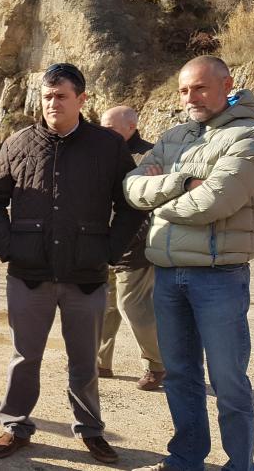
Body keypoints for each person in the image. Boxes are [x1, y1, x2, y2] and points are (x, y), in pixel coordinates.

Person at [0, 63, 144, 464]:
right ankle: (15, 425)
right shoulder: (18, 143)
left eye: (61, 96)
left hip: (85, 275)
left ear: (81, 99)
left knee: (84, 360)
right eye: (47, 96)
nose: (52, 103)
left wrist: (108, 250)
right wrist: (9, 248)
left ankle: (90, 430)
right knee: (24, 356)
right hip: (28, 274)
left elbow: (130, 205)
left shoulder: (107, 146)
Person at [125, 56, 254, 471]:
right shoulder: (173, 136)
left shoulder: (250, 136)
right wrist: (181, 183)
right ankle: (186, 458)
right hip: (167, 275)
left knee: (228, 381)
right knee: (181, 376)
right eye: (184, 90)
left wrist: (158, 205)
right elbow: (133, 187)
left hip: (219, 278)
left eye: (199, 88)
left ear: (227, 84)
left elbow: (214, 202)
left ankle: (240, 464)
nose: (190, 98)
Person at [96, 105, 164, 390]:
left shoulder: (149, 157)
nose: (103, 133)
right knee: (104, 306)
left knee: (133, 307)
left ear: (131, 127)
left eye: (110, 128)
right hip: (103, 243)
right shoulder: (100, 154)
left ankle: (158, 365)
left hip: (135, 247)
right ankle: (99, 362)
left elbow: (150, 203)